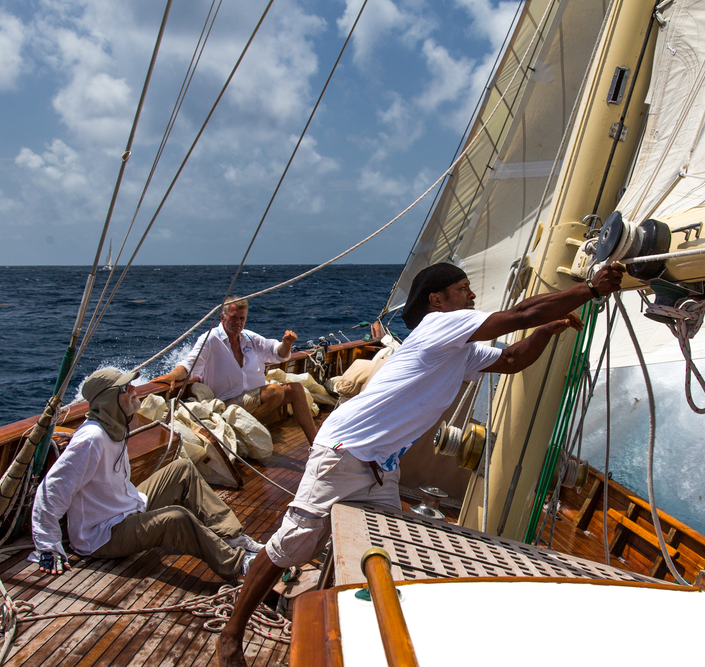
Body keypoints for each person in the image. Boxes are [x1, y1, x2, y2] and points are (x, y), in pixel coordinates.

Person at [216, 261, 625, 665]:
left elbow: (513, 360)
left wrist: (544, 332)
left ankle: (358, 638)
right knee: (293, 545)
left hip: (381, 467)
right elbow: (516, 314)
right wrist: (589, 289)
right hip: (345, 452)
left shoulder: (458, 348)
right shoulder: (436, 326)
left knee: (382, 551)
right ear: (438, 300)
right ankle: (231, 638)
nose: (472, 295)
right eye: (464, 288)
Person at [31, 367, 263, 580]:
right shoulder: (91, 439)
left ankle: (232, 537)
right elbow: (52, 490)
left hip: (126, 507)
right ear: (108, 399)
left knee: (181, 469)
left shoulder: (114, 425)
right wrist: (48, 546)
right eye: (125, 388)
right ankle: (239, 564)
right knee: (175, 518)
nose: (134, 390)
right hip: (102, 535)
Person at [152, 298, 318, 444]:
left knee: (295, 389)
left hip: (254, 399)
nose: (238, 322)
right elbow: (189, 365)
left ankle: (316, 444)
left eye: (242, 318)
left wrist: (286, 344)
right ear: (223, 317)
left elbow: (277, 353)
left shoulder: (249, 338)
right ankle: (241, 429)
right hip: (228, 402)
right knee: (275, 391)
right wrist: (172, 376)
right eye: (233, 318)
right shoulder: (210, 339)